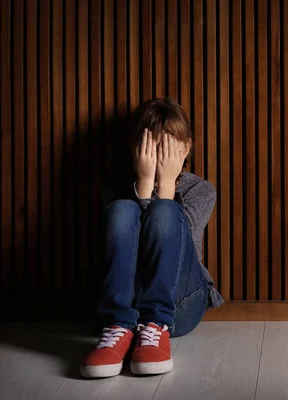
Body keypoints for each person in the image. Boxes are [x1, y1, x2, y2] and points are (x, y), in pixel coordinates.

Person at [80, 98, 224, 378]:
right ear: (135, 148)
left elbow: (179, 243)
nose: (161, 155)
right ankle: (118, 327)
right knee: (122, 209)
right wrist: (145, 184)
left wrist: (166, 185)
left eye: (170, 147)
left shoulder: (201, 190)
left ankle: (156, 325)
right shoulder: (113, 188)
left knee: (166, 212)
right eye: (152, 146)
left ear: (186, 147)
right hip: (122, 305)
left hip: (179, 308)